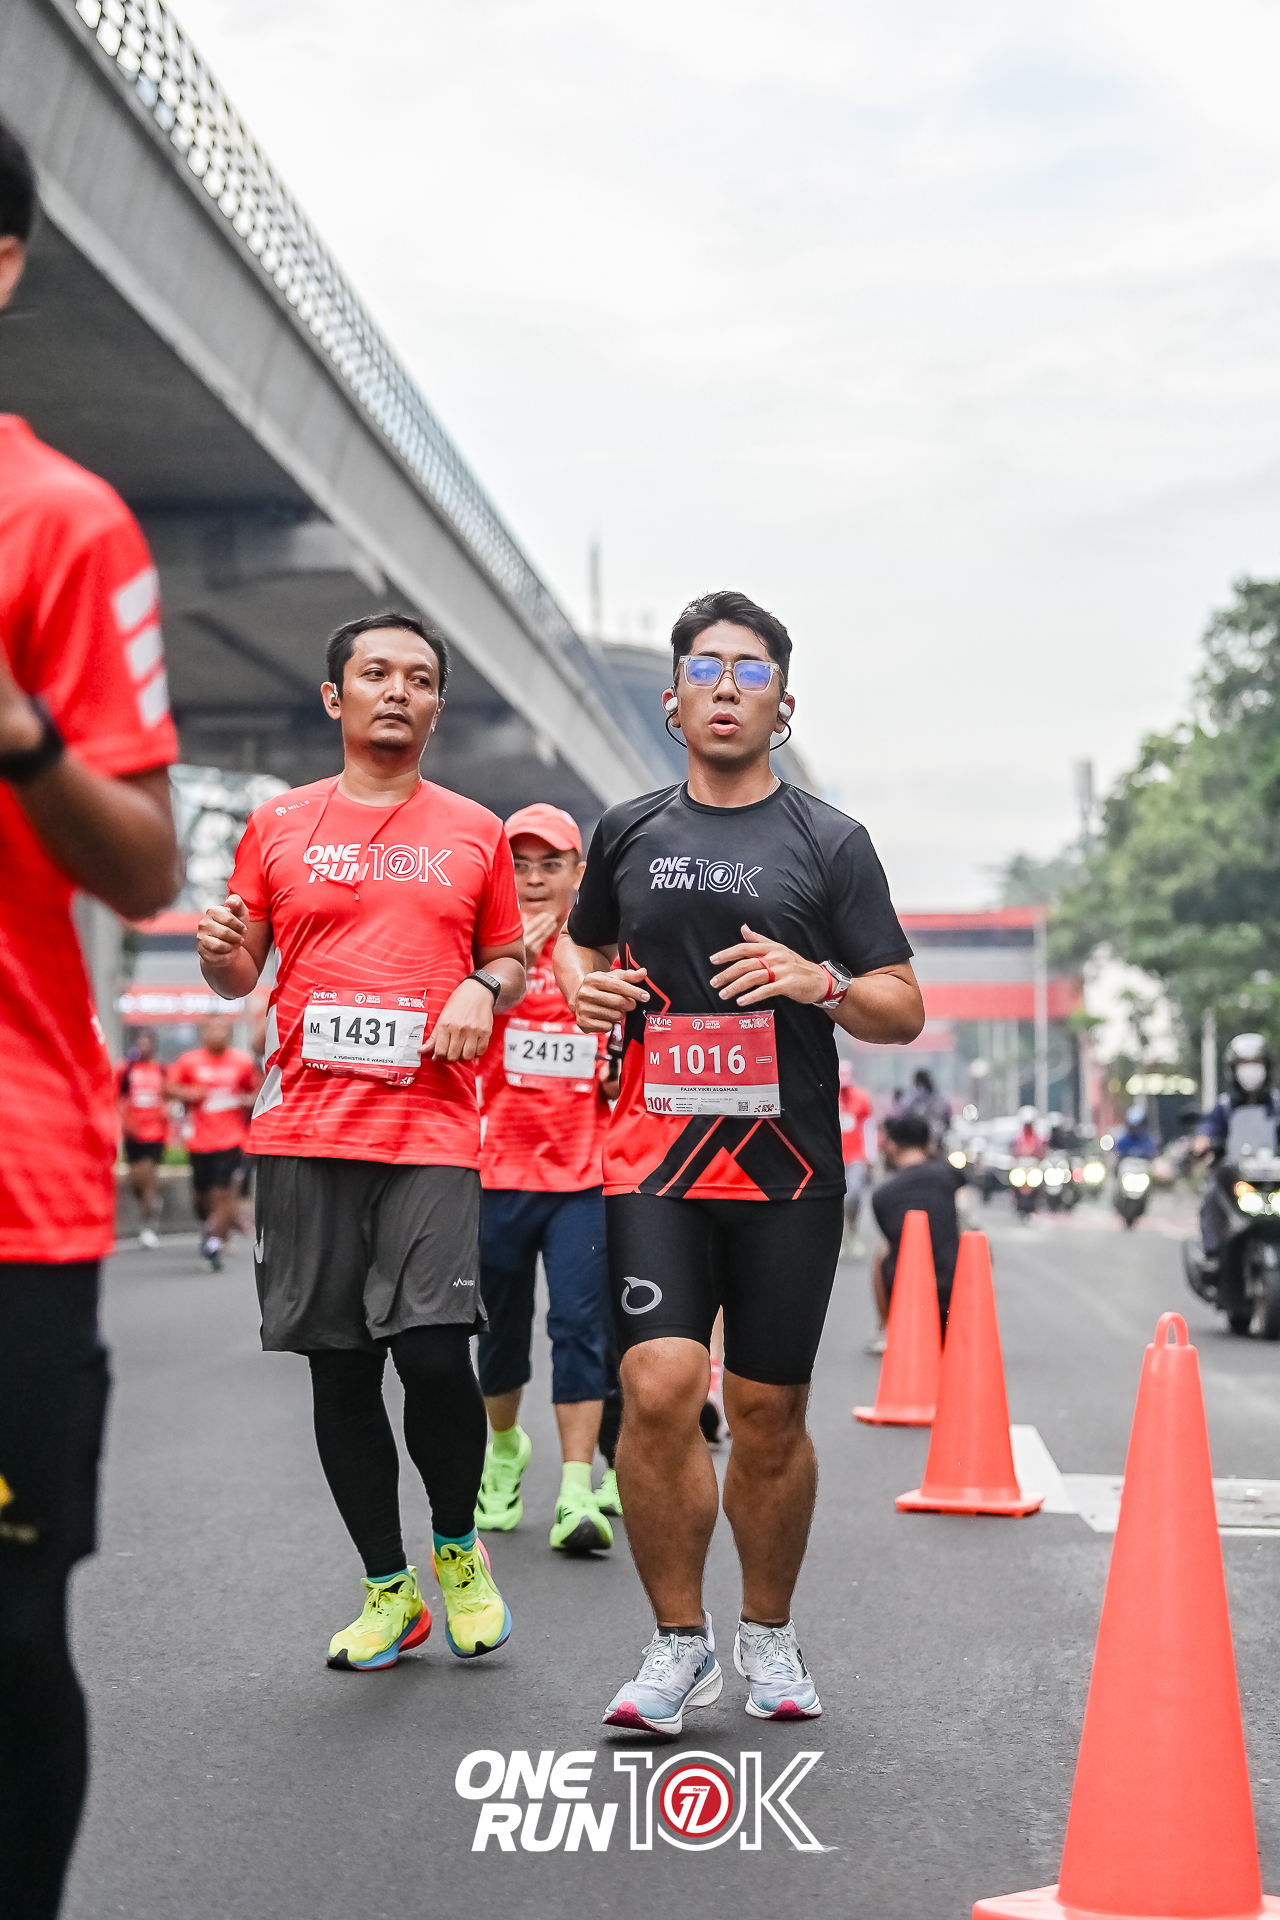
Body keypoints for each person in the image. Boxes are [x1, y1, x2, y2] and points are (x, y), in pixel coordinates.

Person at [556, 587, 923, 1732]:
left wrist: (821, 983)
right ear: (672, 704)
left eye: (750, 670)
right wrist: (586, 992)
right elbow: (576, 951)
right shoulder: (627, 832)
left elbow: (900, 1005)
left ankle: (767, 1633)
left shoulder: (829, 842)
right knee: (657, 1387)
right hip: (653, 1159)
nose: (726, 687)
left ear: (782, 704)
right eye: (705, 669)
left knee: (766, 1412)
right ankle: (677, 1645)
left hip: (786, 1172)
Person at [196, 610, 526, 1672]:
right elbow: (238, 973)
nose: (397, 690)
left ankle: (457, 1550)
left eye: (418, 678)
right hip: (304, 1130)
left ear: (437, 706)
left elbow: (511, 959)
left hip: (430, 1127)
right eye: (375, 673)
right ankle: (390, 1590)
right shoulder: (278, 823)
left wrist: (482, 986)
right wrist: (217, 951)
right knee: (338, 1370)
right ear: (335, 697)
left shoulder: (475, 831)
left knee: (432, 1352)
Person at [0, 121, 181, 1920]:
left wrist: (22, 734)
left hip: (9, 1179)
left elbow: (142, 865)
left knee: (2, 1628)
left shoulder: (60, 520)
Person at [473, 802, 621, 1554]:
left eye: (550, 865)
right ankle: (505, 1450)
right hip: (494, 1172)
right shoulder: (475, 951)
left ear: (577, 874)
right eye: (520, 864)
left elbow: (620, 1061)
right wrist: (502, 974)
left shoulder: (602, 958)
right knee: (497, 1333)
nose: (533, 880)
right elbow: (446, 1043)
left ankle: (575, 1489)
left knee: (579, 1327)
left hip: (581, 1177)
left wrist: (569, 971)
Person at [167, 1014, 260, 1271]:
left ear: (229, 1035)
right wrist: (190, 1094)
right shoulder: (189, 1061)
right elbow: (168, 1089)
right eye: (211, 1030)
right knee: (200, 1198)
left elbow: (258, 1091)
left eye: (221, 1030)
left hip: (231, 1140)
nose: (216, 1035)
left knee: (222, 1195)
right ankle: (208, 1228)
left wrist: (245, 1100)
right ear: (202, 1034)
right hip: (198, 1141)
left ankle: (213, 1244)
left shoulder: (241, 1062)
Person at [868, 1112, 965, 1348]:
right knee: (975, 1242)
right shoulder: (952, 1176)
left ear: (891, 1146)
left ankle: (885, 1328)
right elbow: (969, 1218)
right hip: (955, 1292)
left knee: (883, 1250)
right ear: (929, 1144)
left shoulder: (883, 1195)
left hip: (908, 1294)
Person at [1192, 1033, 1280, 1277]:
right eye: (1244, 1064)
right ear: (1233, 1069)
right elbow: (1208, 1129)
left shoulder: (1276, 1104)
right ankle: (1213, 1255)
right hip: (1234, 1174)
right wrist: (1203, 1141)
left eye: (1256, 1062)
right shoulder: (1224, 1106)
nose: (1250, 1070)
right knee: (1213, 1196)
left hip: (1272, 1174)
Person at [117, 1028, 169, 1248]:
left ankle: (148, 1226)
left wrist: (168, 1110)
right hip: (133, 1133)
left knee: (147, 1179)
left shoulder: (162, 1070)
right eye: (140, 1043)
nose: (143, 1047)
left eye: (147, 1043)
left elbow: (170, 1095)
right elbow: (118, 1098)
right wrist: (124, 1122)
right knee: (136, 1182)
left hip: (155, 1133)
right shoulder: (126, 1070)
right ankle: (152, 1204)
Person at [838, 1060, 873, 1248]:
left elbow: (868, 1127)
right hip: (835, 1156)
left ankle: (852, 1229)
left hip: (856, 1156)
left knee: (854, 1193)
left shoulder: (861, 1097)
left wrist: (871, 1155)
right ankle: (840, 1235)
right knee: (837, 1197)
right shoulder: (828, 1095)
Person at [894, 1067, 951, 1147]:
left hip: (917, 1138)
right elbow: (947, 1118)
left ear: (915, 1081)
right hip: (937, 1137)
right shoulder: (940, 1098)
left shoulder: (912, 1096)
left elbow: (903, 1112)